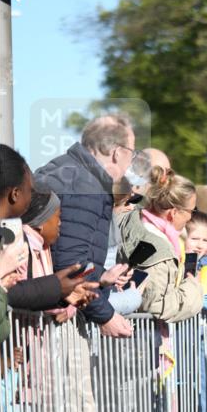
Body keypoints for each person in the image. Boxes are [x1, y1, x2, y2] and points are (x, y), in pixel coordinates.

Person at [35, 115, 136, 339]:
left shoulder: (64, 169)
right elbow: (71, 265)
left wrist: (101, 279)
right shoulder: (85, 185)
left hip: (50, 308)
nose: (131, 163)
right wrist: (105, 315)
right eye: (132, 153)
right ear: (118, 153)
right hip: (57, 321)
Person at [0, 145, 94, 313]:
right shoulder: (16, 240)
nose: (33, 197)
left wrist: (59, 294)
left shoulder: (6, 234)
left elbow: (12, 294)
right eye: (30, 190)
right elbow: (9, 294)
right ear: (15, 194)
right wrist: (55, 287)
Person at [118, 171, 203, 322]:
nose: (191, 217)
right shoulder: (159, 250)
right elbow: (158, 308)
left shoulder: (130, 220)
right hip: (140, 338)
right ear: (174, 212)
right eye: (191, 211)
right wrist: (194, 288)